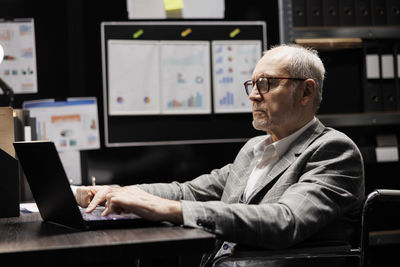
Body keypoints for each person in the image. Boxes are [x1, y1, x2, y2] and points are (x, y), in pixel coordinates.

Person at [75, 44, 365, 266]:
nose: (253, 95)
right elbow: (188, 191)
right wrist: (116, 192)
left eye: (266, 83)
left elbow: (284, 221)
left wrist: (171, 211)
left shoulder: (334, 151)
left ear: (306, 92)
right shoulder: (255, 149)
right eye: (253, 85)